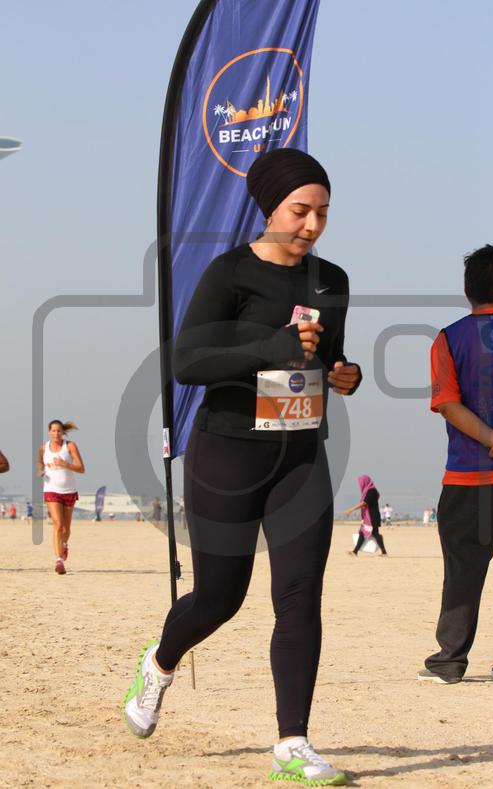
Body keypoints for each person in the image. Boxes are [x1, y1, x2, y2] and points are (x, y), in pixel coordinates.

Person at [123, 148, 362, 785]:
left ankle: (292, 743)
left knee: (300, 597)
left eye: (323, 212)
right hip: (227, 452)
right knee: (219, 599)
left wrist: (344, 374)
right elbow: (187, 362)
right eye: (300, 211)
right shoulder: (229, 272)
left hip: (301, 455)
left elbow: (324, 357)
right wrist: (269, 347)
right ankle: (160, 662)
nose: (312, 224)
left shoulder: (331, 281)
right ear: (269, 208)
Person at [418, 245, 493, 684]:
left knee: (463, 570)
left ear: (468, 291)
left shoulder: (449, 338)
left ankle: (449, 661)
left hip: (470, 477)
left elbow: (448, 404)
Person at [37, 420, 85, 575]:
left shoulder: (70, 446)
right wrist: (40, 470)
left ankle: (64, 545)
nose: (56, 434)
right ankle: (59, 560)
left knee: (66, 528)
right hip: (51, 490)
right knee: (57, 524)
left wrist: (66, 464)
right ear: (49, 432)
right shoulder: (43, 448)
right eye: (53, 431)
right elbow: (39, 462)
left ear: (63, 432)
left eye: (59, 431)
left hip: (69, 491)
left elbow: (81, 468)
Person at [344, 475, 387, 556]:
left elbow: (364, 503)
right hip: (369, 517)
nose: (360, 485)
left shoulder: (371, 491)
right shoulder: (368, 491)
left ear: (365, 482)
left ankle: (383, 552)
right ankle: (355, 551)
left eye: (361, 483)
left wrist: (351, 509)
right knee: (364, 532)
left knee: (374, 533)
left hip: (372, 517)